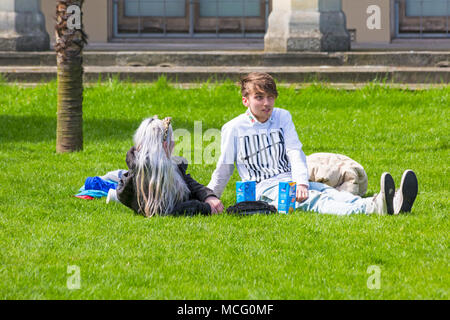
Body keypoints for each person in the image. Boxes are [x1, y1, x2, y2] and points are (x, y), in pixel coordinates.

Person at [207, 72, 418, 215]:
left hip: (291, 180)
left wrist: (301, 182)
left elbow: (294, 151)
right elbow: (224, 168)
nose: (266, 103)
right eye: (259, 97)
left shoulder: (282, 117)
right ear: (246, 100)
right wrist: (208, 197)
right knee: (316, 202)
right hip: (265, 190)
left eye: (270, 97)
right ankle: (373, 207)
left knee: (328, 192)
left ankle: (390, 201)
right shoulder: (233, 128)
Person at [108, 116, 224, 217]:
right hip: (121, 179)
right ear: (165, 145)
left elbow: (188, 182)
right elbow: (166, 211)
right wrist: (205, 208)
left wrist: (209, 196)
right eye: (172, 140)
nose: (174, 143)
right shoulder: (139, 181)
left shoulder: (169, 167)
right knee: (111, 177)